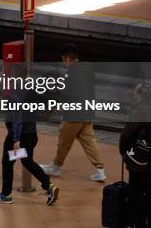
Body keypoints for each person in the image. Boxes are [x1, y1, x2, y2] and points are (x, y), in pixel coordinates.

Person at [0, 66, 59, 206]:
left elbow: (17, 119)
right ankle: (49, 186)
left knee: (7, 163)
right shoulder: (30, 90)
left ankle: (6, 195)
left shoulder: (17, 95)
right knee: (28, 161)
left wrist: (15, 140)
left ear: (15, 76)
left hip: (18, 138)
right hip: (31, 134)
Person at [41, 44, 106, 182]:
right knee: (89, 141)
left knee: (64, 141)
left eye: (64, 60)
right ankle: (100, 170)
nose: (64, 63)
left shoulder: (71, 73)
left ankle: (56, 167)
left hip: (74, 114)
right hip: (88, 112)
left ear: (68, 58)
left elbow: (68, 93)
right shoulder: (88, 70)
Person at [119, 84, 151, 228]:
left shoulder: (137, 112)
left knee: (136, 192)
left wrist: (125, 153)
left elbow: (126, 135)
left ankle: (139, 223)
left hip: (137, 161)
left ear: (138, 94)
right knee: (150, 192)